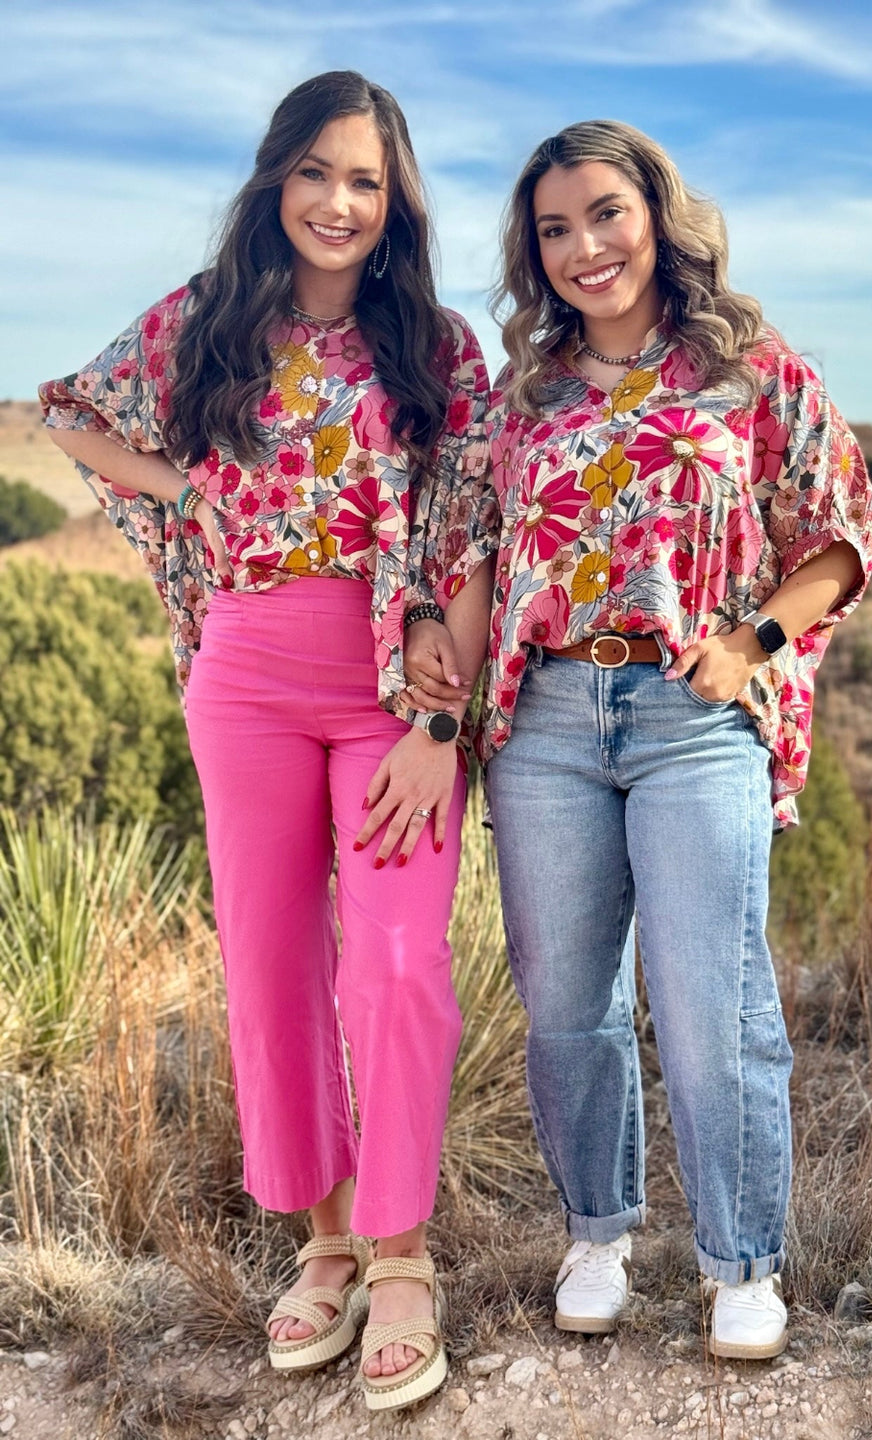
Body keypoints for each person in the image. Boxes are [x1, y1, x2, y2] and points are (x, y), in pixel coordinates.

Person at [39, 70, 497, 1411]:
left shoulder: (439, 346)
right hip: (243, 668)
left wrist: (438, 720)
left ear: (394, 197)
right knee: (271, 961)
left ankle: (405, 1257)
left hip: (388, 684)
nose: (338, 203)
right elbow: (70, 408)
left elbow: (468, 536)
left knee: (400, 962)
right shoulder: (204, 323)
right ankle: (330, 1240)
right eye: (314, 173)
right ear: (274, 181)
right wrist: (185, 486)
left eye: (364, 179)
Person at [407, 118, 872, 1359]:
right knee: (567, 1001)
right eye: (554, 230)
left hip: (696, 715)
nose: (584, 248)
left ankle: (740, 1264)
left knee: (709, 998)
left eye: (604, 214)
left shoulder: (752, 369)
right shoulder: (526, 399)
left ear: (657, 215)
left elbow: (836, 534)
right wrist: (431, 677)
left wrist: (747, 649)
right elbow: (465, 548)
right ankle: (599, 1232)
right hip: (550, 722)